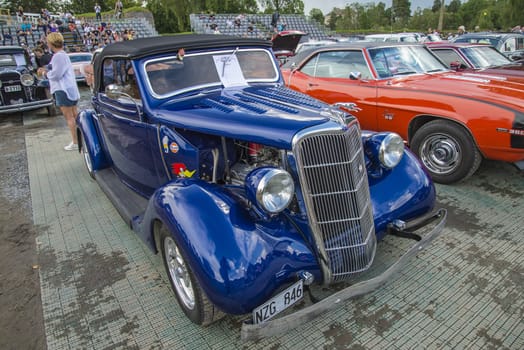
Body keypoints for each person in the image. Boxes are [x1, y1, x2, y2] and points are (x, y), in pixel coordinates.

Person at [37, 32, 80, 151]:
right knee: (75, 115)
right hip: (69, 88)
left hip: (63, 89)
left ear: (51, 43)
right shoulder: (62, 55)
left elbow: (56, 75)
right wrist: (47, 68)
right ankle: (80, 138)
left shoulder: (58, 56)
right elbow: (53, 67)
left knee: (69, 117)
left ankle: (76, 141)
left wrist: (45, 73)